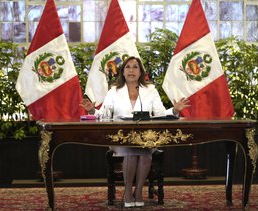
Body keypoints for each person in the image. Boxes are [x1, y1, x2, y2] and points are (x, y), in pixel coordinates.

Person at [81, 56, 190, 208]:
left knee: (144, 153)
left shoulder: (150, 91)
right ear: (123, 72)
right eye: (128, 67)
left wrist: (174, 110)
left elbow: (159, 115)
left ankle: (138, 191)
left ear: (140, 72)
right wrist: (92, 110)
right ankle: (127, 192)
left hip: (146, 139)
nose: (131, 70)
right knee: (132, 152)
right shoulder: (114, 91)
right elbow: (104, 116)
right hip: (119, 139)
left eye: (135, 67)